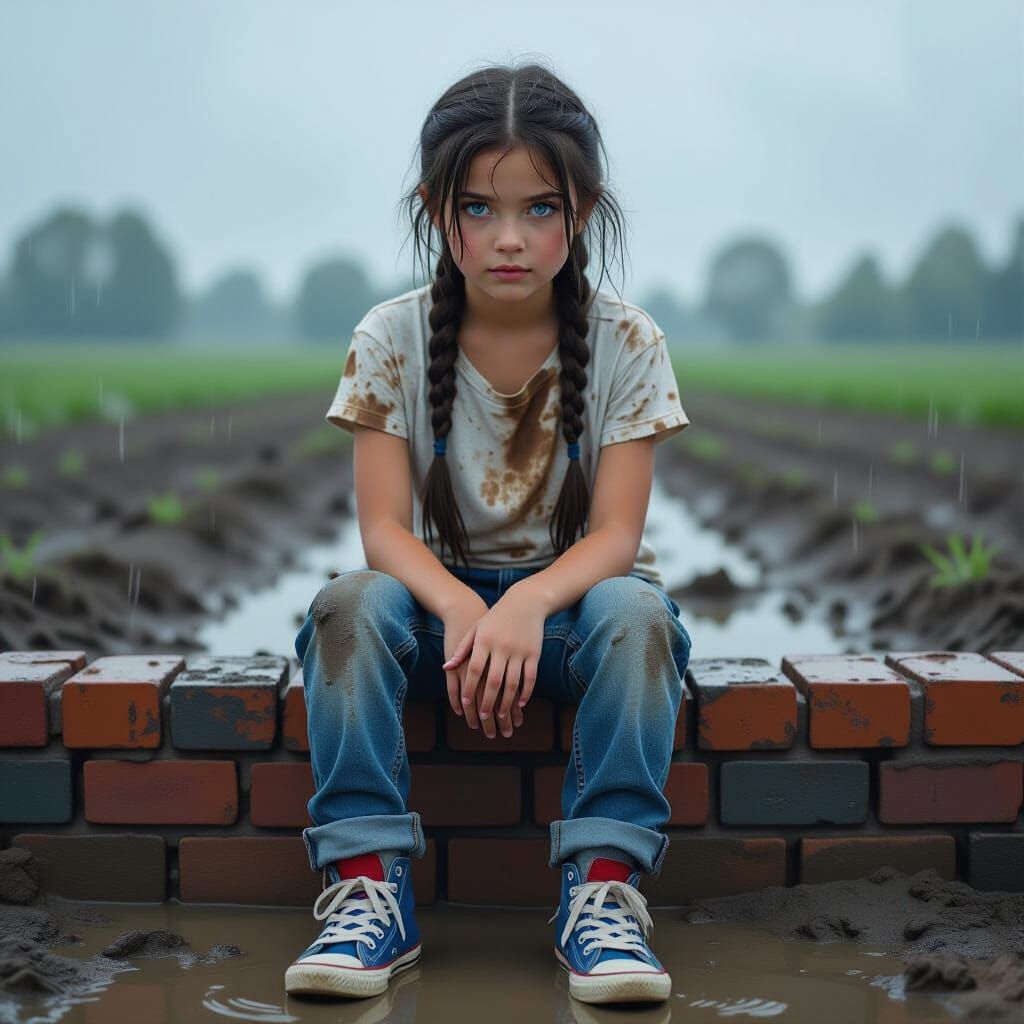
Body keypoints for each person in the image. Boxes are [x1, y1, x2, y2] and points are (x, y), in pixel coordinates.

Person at [284, 60, 693, 1007]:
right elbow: (383, 529)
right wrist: (468, 607)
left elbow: (618, 536)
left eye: (539, 209)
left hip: (574, 623)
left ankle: (603, 893)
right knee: (347, 606)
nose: (509, 238)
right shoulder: (390, 336)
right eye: (479, 209)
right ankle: (366, 889)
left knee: (637, 614)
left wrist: (529, 607)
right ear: (437, 212)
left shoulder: (628, 341)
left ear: (581, 212)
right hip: (438, 621)